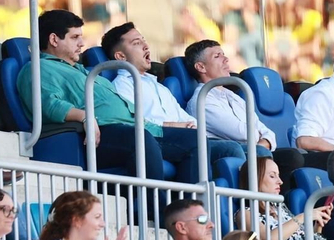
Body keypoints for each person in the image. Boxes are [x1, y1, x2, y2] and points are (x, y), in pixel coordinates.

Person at [18, 10, 205, 181]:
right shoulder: (38, 68)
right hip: (98, 136)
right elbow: (49, 105)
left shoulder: (86, 72)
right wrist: (85, 117)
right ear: (53, 39)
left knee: (197, 141)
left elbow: (129, 113)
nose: (82, 44)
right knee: (141, 138)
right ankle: (150, 211)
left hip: (133, 129)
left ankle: (189, 210)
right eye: (75, 37)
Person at [184, 39, 277, 150]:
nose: (226, 59)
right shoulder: (201, 101)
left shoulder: (233, 96)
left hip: (251, 153)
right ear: (201, 67)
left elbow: (269, 134)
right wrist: (260, 142)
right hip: (232, 157)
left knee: (291, 156)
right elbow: (245, 134)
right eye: (217, 56)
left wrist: (259, 147)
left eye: (224, 55)